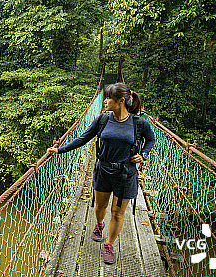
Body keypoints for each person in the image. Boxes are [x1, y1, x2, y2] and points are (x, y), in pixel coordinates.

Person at [47, 82, 156, 264]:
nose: (104, 101)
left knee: (117, 212)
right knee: (100, 207)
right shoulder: (103, 119)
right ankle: (99, 225)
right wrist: (60, 150)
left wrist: (143, 154)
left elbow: (151, 140)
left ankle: (109, 244)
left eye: (108, 98)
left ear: (121, 101)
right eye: (104, 97)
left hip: (126, 174)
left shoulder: (139, 123)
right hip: (103, 170)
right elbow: (83, 138)